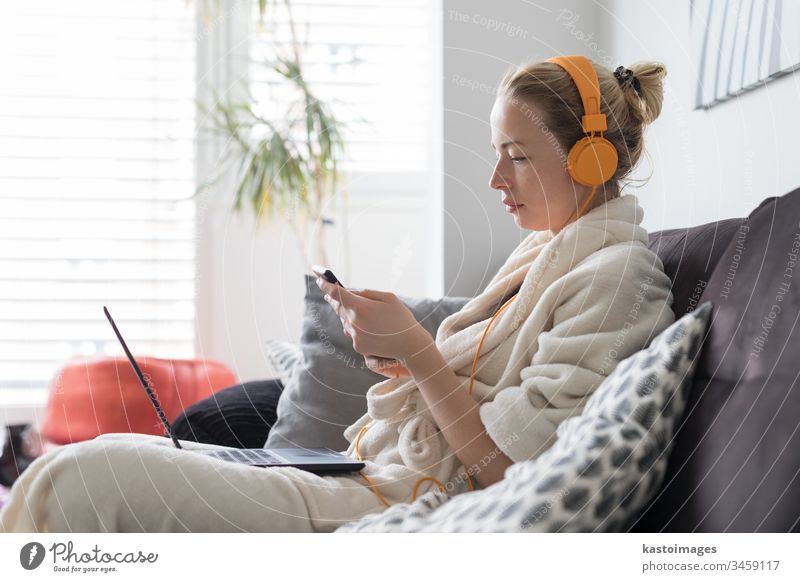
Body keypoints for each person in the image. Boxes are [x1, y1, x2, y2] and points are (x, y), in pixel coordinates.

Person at [0, 55, 676, 533]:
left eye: (518, 155)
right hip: (376, 473)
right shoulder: (545, 254)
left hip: (409, 501)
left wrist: (418, 349)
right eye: (496, 152)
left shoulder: (615, 278)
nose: (496, 177)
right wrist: (401, 357)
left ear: (592, 159)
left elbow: (507, 475)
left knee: (85, 479)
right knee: (85, 465)